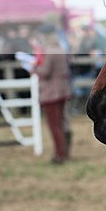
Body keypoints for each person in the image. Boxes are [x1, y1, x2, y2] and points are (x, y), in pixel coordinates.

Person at [32, 24, 72, 164]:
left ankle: (59, 154)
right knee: (62, 122)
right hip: (62, 89)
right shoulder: (60, 48)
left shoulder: (48, 51)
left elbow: (45, 72)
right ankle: (65, 151)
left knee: (54, 125)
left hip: (51, 92)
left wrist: (34, 68)